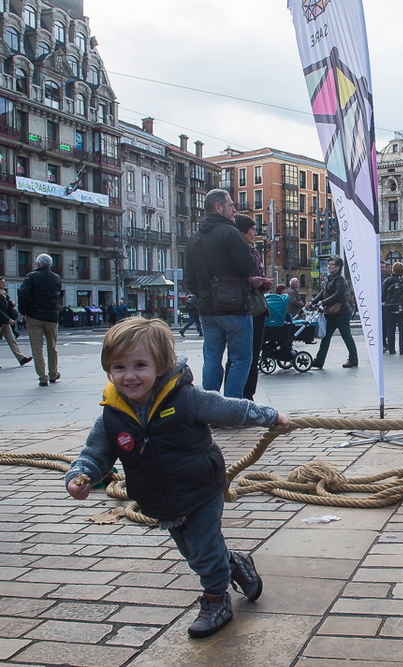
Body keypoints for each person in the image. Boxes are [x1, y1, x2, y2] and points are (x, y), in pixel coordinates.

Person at [64, 317, 289, 638]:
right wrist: (80, 475)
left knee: (202, 548)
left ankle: (216, 600)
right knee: (195, 551)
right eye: (119, 367)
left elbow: (229, 409)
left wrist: (269, 416)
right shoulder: (112, 415)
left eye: (140, 365)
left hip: (201, 487)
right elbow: (95, 454)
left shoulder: (185, 398)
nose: (129, 376)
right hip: (160, 499)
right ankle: (235, 562)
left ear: (161, 365)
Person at [184, 188, 256, 398]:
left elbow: (189, 279)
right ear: (218, 207)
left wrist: (206, 294)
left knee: (212, 359)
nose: (234, 209)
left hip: (207, 309)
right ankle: (232, 408)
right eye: (230, 205)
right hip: (235, 307)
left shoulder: (194, 239)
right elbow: (247, 267)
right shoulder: (230, 232)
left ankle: (211, 408)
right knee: (241, 359)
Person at [229, 215, 273, 401]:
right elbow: (235, 277)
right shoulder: (236, 250)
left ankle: (248, 396)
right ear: (242, 231)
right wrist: (252, 282)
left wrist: (263, 284)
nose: (255, 233)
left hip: (258, 307)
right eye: (252, 229)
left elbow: (257, 275)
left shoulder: (253, 251)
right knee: (241, 356)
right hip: (246, 307)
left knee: (253, 355)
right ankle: (239, 396)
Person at [17, 253, 62, 386]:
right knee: (52, 346)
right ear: (50, 265)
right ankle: (53, 373)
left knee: (37, 349)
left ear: (37, 264)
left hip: (34, 317)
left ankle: (43, 377)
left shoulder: (31, 276)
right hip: (52, 317)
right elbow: (57, 293)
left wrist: (24, 312)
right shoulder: (56, 278)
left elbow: (23, 295)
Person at [309, 255, 358, 369]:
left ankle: (353, 359)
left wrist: (323, 302)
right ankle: (319, 360)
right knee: (325, 337)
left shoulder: (340, 279)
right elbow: (322, 292)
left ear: (338, 267)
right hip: (331, 312)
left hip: (342, 312)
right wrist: (312, 302)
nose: (329, 266)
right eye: (329, 264)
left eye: (332, 264)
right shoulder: (329, 278)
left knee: (346, 335)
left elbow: (338, 295)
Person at [382, 262, 403, 355]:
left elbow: (383, 294)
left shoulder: (387, 281)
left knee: (390, 329)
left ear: (393, 270)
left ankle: (392, 349)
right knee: (402, 329)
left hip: (390, 308)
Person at [0, 277, 31, 368]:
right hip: (2, 320)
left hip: (5, 321)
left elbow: (6, 308)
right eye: (2, 282)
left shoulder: (4, 294)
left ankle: (21, 358)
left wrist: (11, 304)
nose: (4, 284)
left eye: (4, 282)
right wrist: (7, 318)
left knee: (11, 340)